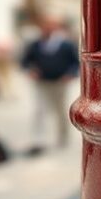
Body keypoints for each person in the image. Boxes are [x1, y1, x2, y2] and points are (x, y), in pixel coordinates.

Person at [20, 15, 80, 155]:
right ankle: (39, 140)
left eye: (51, 25)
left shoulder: (66, 44)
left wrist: (70, 74)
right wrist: (30, 71)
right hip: (42, 83)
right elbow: (25, 61)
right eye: (45, 25)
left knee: (61, 111)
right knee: (40, 111)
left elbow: (75, 63)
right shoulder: (35, 44)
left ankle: (63, 137)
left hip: (60, 83)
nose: (47, 28)